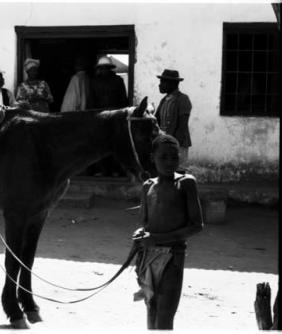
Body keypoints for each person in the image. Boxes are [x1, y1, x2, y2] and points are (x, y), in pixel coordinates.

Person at [132, 134, 203, 330]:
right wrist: (140, 234)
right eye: (163, 157)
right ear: (152, 158)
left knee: (164, 316)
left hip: (173, 257)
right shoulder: (148, 186)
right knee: (151, 309)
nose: (169, 162)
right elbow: (144, 222)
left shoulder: (186, 183)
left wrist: (157, 239)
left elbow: (197, 225)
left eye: (174, 157)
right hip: (148, 257)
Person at [87, 56, 128, 176]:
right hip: (100, 118)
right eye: (102, 68)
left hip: (115, 117)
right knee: (101, 144)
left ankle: (116, 169)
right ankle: (102, 170)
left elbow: (123, 100)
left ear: (110, 68)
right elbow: (91, 101)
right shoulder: (94, 81)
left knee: (116, 144)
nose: (104, 70)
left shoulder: (118, 81)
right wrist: (93, 117)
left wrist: (122, 115)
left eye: (106, 68)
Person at [154, 69, 192, 172]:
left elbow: (182, 126)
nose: (160, 85)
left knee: (178, 171)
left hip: (178, 144)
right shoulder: (164, 100)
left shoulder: (183, 99)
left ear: (172, 83)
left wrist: (173, 146)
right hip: (165, 143)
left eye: (163, 82)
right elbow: (156, 120)